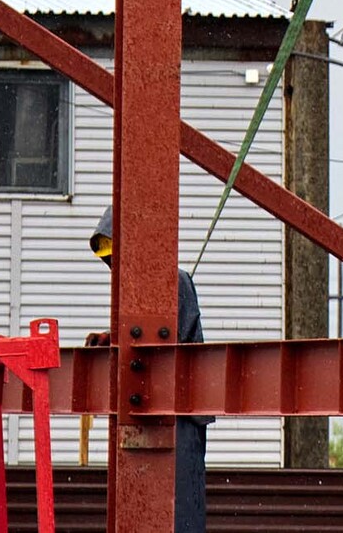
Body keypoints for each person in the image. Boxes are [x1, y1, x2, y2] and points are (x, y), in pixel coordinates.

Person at [88, 207, 212, 533]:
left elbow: (161, 340)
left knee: (180, 510)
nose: (115, 267)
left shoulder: (174, 281)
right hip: (152, 411)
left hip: (181, 415)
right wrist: (110, 339)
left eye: (118, 256)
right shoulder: (136, 291)